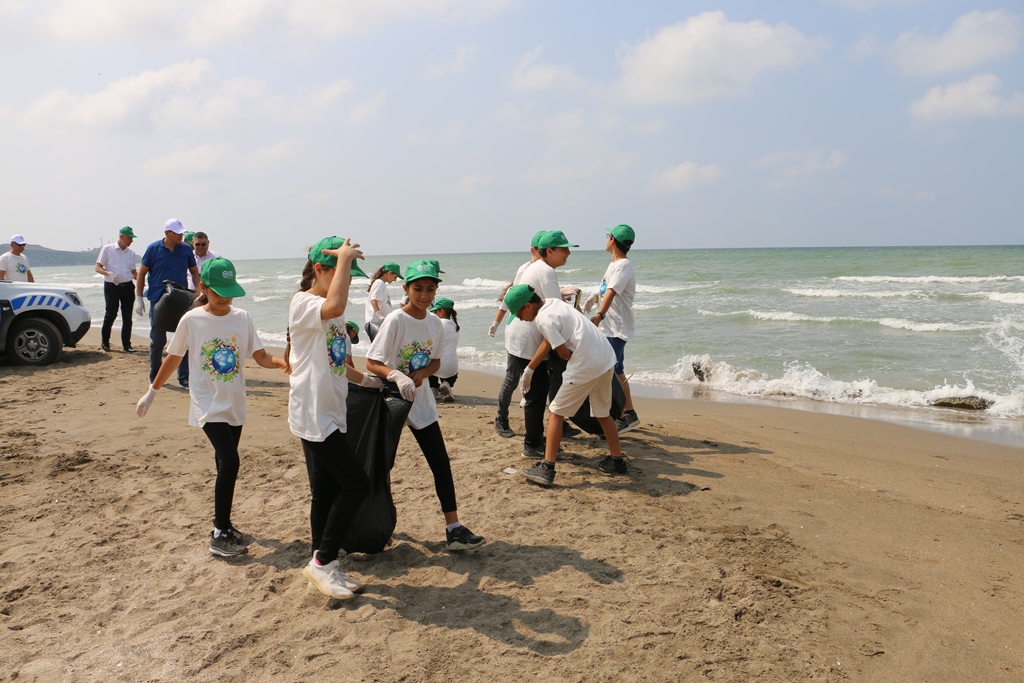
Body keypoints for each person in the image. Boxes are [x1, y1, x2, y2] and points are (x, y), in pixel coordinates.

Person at [135, 257, 288, 557]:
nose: (226, 297)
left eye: (230, 290)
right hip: (207, 403)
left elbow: (260, 357)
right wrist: (151, 392)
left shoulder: (242, 318)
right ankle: (219, 533)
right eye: (219, 291)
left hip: (234, 402)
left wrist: (286, 364)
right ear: (203, 287)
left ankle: (226, 525)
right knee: (231, 462)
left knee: (223, 465)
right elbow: (174, 358)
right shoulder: (191, 320)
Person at [365, 260, 485, 552]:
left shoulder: (435, 323)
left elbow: (436, 361)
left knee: (440, 463)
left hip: (421, 402)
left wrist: (421, 374)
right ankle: (370, 527)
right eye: (417, 288)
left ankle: (454, 528)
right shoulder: (395, 320)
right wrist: (396, 375)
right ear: (406, 289)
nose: (424, 295)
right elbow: (372, 362)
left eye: (430, 289)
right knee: (381, 466)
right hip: (390, 401)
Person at [286, 236, 382, 601]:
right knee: (356, 484)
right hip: (313, 413)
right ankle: (324, 561)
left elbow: (339, 361)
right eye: (342, 271)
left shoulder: (333, 311)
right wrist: (344, 258)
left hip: (331, 409)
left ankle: (322, 563)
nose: (348, 281)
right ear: (320, 269)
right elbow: (336, 301)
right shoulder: (303, 303)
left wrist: (372, 381)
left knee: (325, 493)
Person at [504, 284, 627, 487]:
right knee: (603, 413)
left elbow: (562, 352)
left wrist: (574, 368)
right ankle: (617, 461)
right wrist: (530, 369)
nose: (518, 318)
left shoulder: (542, 319)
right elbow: (550, 340)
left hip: (586, 363)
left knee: (556, 412)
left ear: (527, 305)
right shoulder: (553, 304)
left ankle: (547, 468)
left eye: (518, 314)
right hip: (605, 358)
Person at [520, 230, 583, 439]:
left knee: (539, 393)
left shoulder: (537, 268)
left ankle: (545, 435)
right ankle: (533, 444)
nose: (568, 254)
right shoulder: (546, 271)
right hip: (537, 338)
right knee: (537, 396)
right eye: (564, 249)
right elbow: (559, 316)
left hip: (532, 335)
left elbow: (550, 305)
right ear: (549, 251)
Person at [488, 231, 546, 442]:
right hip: (519, 334)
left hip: (534, 334)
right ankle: (501, 418)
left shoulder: (542, 269)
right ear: (535, 251)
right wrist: (496, 321)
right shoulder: (527, 268)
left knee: (541, 382)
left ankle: (559, 423)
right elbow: (511, 297)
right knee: (513, 379)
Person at [585, 224, 640, 433]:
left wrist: (599, 315)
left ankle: (620, 416)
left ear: (614, 241)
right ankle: (630, 412)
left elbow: (611, 293)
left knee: (610, 370)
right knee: (617, 370)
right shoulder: (614, 265)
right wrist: (592, 297)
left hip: (616, 328)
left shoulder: (623, 266)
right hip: (611, 327)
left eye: (608, 235)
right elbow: (604, 289)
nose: (606, 238)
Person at [135, 219, 200, 388]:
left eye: (181, 233)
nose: (180, 236)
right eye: (177, 233)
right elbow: (141, 274)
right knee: (158, 339)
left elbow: (194, 272)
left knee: (184, 338)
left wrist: (198, 291)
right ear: (167, 233)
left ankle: (184, 377)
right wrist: (139, 298)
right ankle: (155, 375)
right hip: (158, 298)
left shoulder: (186, 249)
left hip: (180, 299)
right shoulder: (153, 249)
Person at [95, 226, 139, 352]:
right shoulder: (108, 249)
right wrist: (109, 273)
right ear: (121, 237)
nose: (131, 240)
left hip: (128, 286)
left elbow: (133, 271)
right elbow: (98, 267)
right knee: (111, 314)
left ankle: (127, 344)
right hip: (112, 286)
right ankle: (105, 341)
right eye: (130, 238)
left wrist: (141, 280)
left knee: (127, 316)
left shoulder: (131, 253)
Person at [428, 297, 459, 403]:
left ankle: (433, 388)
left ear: (442, 311)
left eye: (436, 311)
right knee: (452, 373)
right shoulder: (455, 325)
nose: (434, 314)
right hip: (451, 367)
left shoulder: (438, 323)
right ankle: (447, 384)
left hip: (436, 366)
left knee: (429, 362)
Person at [363, 261, 402, 342]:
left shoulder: (381, 284)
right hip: (375, 323)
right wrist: (378, 314)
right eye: (395, 277)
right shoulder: (379, 283)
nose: (395, 280)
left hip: (378, 323)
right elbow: (374, 300)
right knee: (378, 350)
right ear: (389, 273)